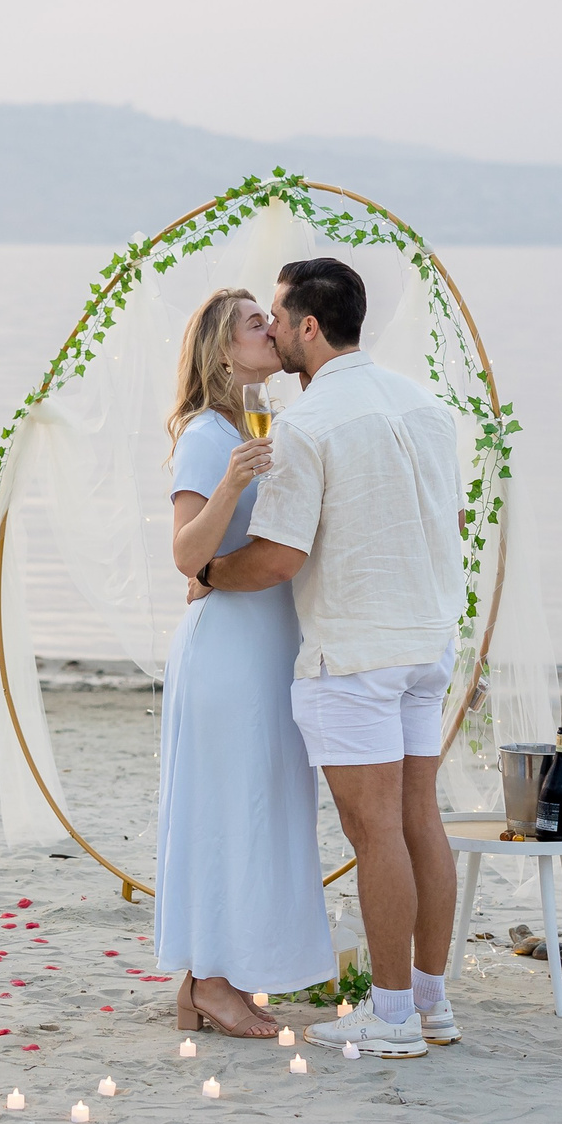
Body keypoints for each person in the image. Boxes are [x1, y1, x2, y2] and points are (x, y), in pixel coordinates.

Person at [192, 257, 465, 1059]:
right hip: (427, 643)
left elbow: (276, 557)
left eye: (277, 316)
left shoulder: (306, 427)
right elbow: (445, 517)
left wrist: (209, 573)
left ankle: (389, 1016)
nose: (271, 329)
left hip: (355, 655)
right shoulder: (427, 406)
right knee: (421, 821)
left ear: (309, 325)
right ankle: (431, 1002)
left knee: (375, 833)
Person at [155, 288, 337, 1037]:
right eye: (256, 323)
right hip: (228, 648)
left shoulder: (263, 422)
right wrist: (231, 480)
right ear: (223, 350)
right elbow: (186, 556)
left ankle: (213, 976)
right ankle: (210, 981)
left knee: (257, 803)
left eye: (272, 317)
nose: (272, 329)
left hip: (270, 643)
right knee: (227, 807)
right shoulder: (206, 435)